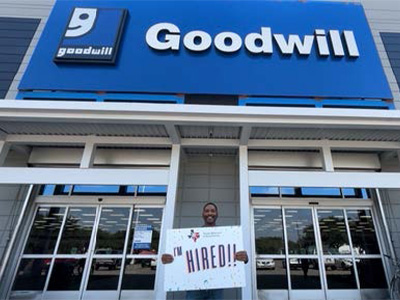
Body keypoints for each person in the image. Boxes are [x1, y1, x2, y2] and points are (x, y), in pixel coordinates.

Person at [161, 202, 248, 300]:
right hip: (194, 287)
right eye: (207, 211)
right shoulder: (191, 236)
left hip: (217, 286)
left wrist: (245, 258)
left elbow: (237, 256)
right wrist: (168, 259)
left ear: (217, 214)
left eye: (213, 211)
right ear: (202, 214)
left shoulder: (226, 235)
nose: (210, 213)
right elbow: (181, 257)